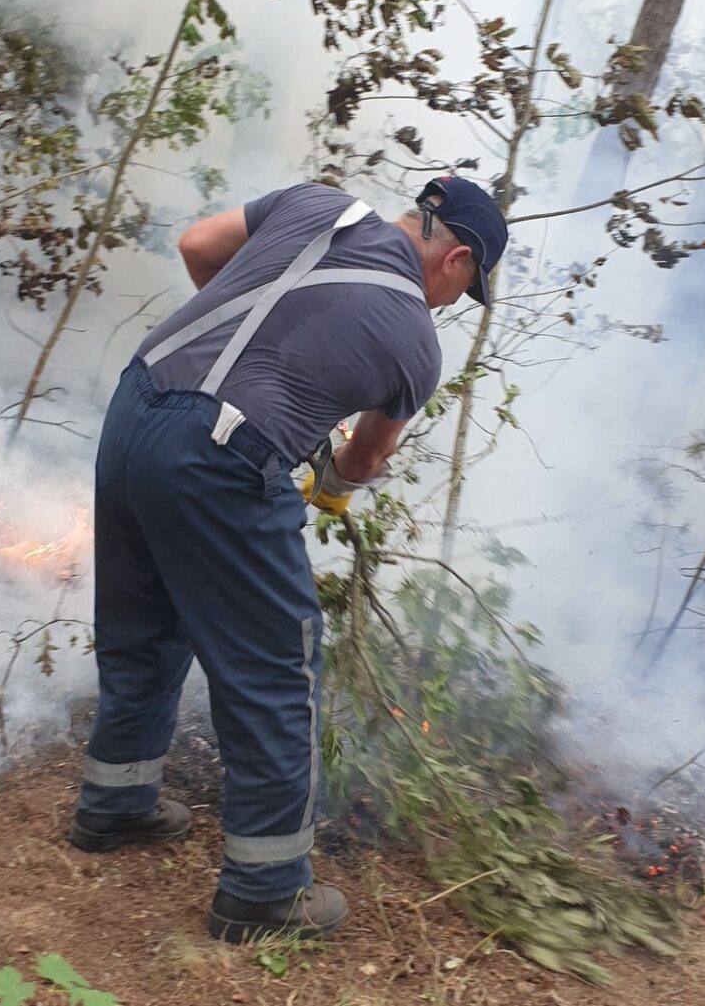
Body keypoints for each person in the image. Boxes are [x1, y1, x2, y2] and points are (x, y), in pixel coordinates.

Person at [68, 176, 508, 943]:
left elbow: (197, 245)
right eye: (464, 291)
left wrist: (236, 367)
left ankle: (115, 804)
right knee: (276, 668)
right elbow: (366, 455)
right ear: (457, 257)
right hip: (217, 457)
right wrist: (331, 481)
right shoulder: (414, 340)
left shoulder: (320, 203)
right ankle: (265, 890)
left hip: (137, 407)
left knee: (145, 619)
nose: (451, 308)